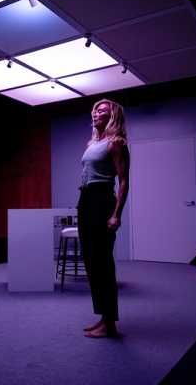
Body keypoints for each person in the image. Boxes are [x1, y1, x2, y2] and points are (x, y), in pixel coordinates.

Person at [77, 98, 130, 338]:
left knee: (103, 264)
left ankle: (110, 324)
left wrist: (116, 214)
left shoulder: (117, 143)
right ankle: (102, 317)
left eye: (103, 109)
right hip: (85, 201)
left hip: (102, 202)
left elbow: (124, 181)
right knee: (91, 263)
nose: (97, 112)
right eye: (96, 109)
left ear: (113, 116)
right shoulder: (92, 143)